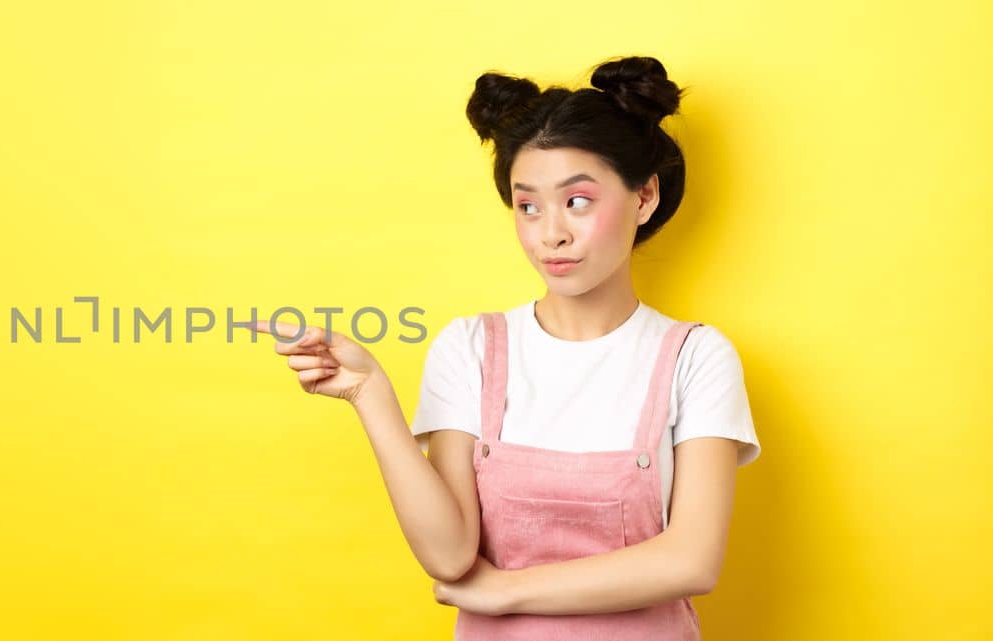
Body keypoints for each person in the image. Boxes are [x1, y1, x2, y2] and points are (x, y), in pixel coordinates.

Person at [247, 55, 760, 639]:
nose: (551, 233)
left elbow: (690, 561)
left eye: (578, 200)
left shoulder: (695, 357)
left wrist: (506, 591)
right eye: (528, 205)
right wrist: (370, 394)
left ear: (644, 198)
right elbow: (449, 556)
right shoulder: (471, 348)